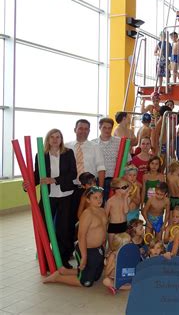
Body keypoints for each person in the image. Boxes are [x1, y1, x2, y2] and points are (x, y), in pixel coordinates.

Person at [27, 129, 77, 268]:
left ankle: (63, 259)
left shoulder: (68, 153)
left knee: (64, 229)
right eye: (52, 137)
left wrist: (54, 180)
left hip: (65, 196)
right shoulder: (41, 155)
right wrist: (28, 185)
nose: (55, 140)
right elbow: (38, 176)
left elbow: (73, 174)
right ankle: (47, 259)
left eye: (58, 137)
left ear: (61, 139)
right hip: (48, 197)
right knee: (44, 227)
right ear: (47, 140)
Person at [43, 187, 107, 286]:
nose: (99, 200)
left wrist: (103, 246)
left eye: (100, 197)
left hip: (98, 249)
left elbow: (103, 231)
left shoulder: (102, 211)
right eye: (95, 198)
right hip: (86, 249)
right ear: (88, 200)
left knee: (96, 276)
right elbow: (81, 236)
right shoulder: (87, 214)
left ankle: (64, 271)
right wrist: (84, 257)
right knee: (86, 282)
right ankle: (57, 277)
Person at [66, 119, 105, 224]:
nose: (83, 131)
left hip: (90, 188)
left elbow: (101, 168)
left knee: (89, 217)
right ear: (75, 130)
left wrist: (99, 189)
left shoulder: (95, 147)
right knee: (72, 217)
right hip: (71, 189)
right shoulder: (66, 147)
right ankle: (74, 239)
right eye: (80, 128)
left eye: (86, 129)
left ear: (89, 131)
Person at [92, 117, 123, 201]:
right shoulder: (92, 143)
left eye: (109, 128)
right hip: (97, 180)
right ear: (99, 128)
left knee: (112, 206)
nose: (107, 130)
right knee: (98, 204)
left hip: (115, 180)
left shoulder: (120, 142)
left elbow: (126, 161)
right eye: (104, 127)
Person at [105, 178, 130, 249]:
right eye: (125, 187)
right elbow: (105, 215)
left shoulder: (127, 199)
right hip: (113, 226)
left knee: (122, 247)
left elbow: (126, 211)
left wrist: (125, 199)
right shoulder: (110, 201)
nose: (127, 188)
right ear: (116, 190)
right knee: (112, 247)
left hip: (123, 225)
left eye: (127, 186)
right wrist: (104, 227)